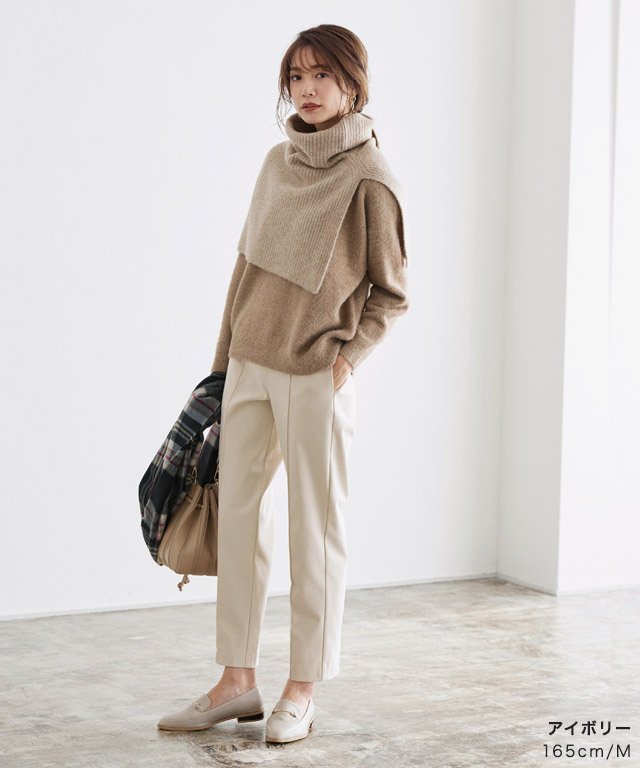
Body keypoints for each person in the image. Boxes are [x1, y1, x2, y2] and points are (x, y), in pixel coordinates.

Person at [157, 23, 409, 744]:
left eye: (322, 74)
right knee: (238, 523)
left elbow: (392, 295)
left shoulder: (371, 177)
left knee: (314, 530)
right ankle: (236, 682)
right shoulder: (277, 163)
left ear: (353, 83)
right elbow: (245, 270)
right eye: (296, 76)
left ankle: (302, 688)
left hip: (315, 374)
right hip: (249, 365)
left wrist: (345, 361)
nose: (307, 88)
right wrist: (221, 368)